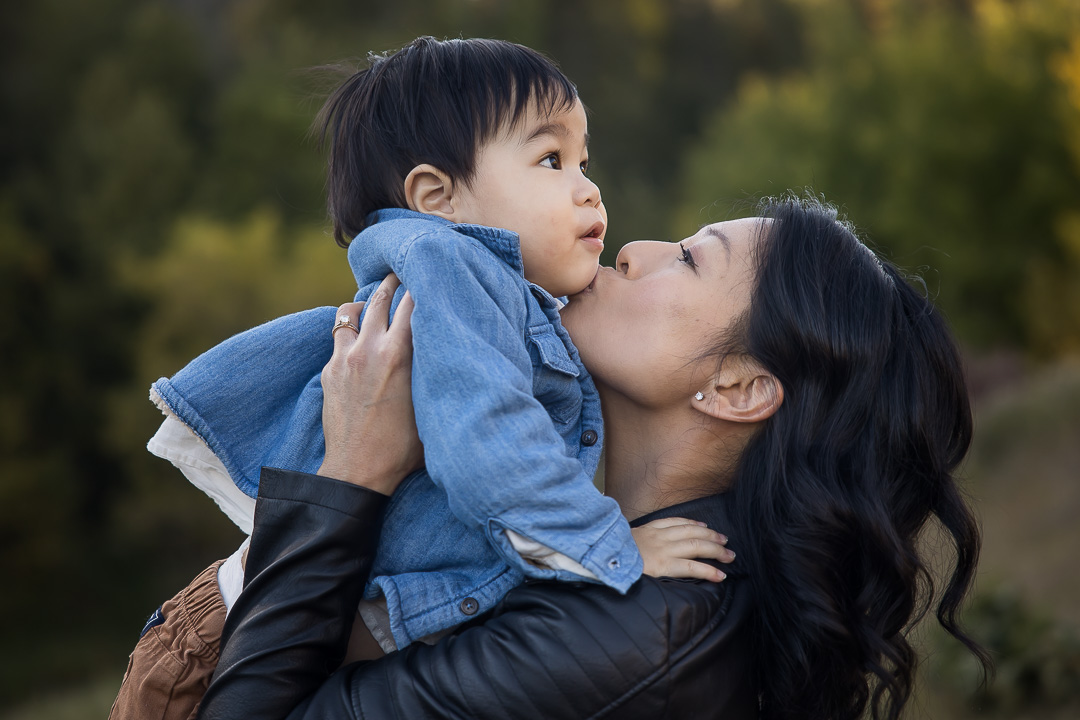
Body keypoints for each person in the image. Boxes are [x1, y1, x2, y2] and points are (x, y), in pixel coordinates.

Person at [190, 196, 991, 720]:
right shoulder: (615, 579)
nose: (634, 250)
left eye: (689, 257)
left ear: (740, 386)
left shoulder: (639, 636)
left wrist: (352, 475)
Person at [145, 34, 725, 666]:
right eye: (552, 161)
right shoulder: (452, 268)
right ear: (436, 199)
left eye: (585, 163)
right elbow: (488, 439)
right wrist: (612, 548)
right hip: (219, 649)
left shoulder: (495, 293)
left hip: (269, 627)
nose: (588, 190)